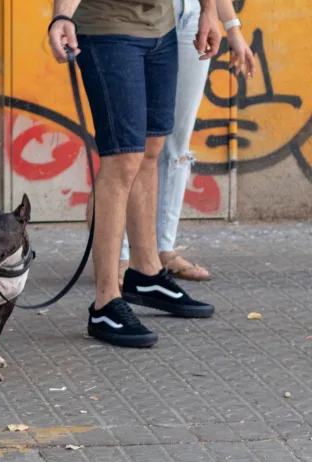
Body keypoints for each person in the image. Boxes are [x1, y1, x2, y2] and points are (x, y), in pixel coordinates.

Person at [47, 0, 221, 348]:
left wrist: (210, 11)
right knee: (123, 158)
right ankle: (106, 303)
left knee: (151, 149)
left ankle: (146, 274)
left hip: (161, 29)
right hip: (108, 30)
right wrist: (62, 15)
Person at [118, 0, 257, 285]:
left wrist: (231, 27)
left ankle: (163, 250)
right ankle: (119, 255)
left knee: (176, 144)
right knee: (125, 146)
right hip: (137, 14)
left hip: (191, 16)